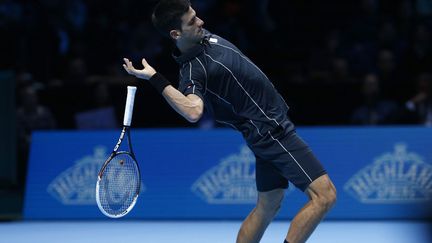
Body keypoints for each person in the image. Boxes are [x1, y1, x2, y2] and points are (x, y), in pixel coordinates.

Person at [122, 1, 336, 242]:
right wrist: (155, 78)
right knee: (324, 195)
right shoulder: (193, 70)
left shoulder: (204, 38)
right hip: (270, 131)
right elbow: (193, 111)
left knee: (269, 204)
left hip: (263, 130)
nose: (200, 21)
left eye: (196, 15)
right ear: (176, 34)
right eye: (192, 21)